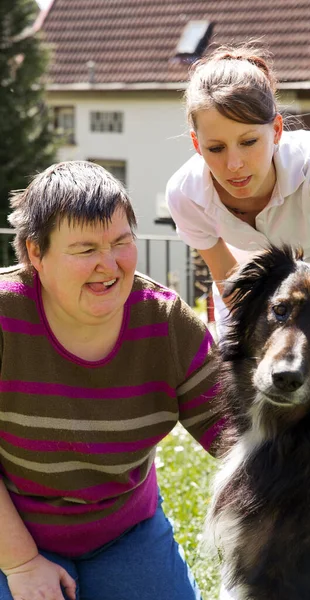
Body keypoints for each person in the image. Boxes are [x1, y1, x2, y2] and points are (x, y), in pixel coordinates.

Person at [0, 161, 223, 600]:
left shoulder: (165, 322)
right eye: (85, 249)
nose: (109, 264)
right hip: (13, 529)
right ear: (36, 254)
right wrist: (21, 563)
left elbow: (238, 434)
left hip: (126, 528)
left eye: (121, 242)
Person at [166, 43, 310, 368]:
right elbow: (232, 287)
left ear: (276, 130)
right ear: (196, 144)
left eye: (249, 142)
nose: (234, 164)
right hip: (259, 301)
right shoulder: (184, 193)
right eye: (215, 148)